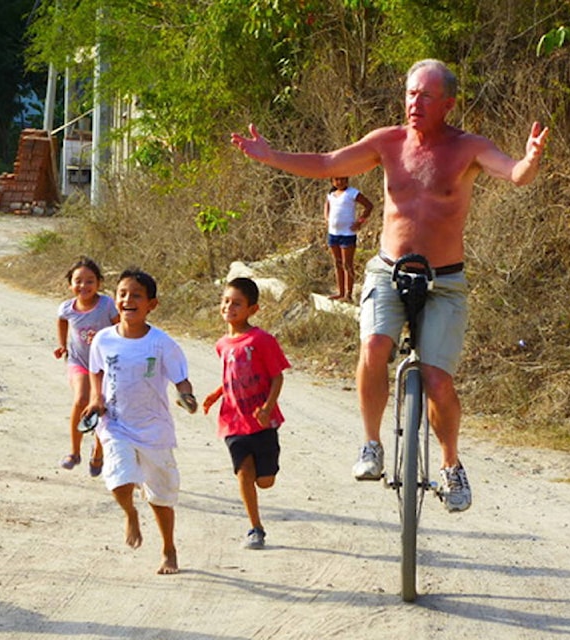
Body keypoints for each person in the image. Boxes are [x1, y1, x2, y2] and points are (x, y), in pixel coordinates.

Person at [231, 59, 549, 513]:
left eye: (425, 96)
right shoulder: (387, 142)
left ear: (448, 104)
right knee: (374, 347)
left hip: (445, 281)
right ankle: (370, 444)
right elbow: (327, 163)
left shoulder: (469, 148)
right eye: (410, 94)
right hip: (388, 270)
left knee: (438, 380)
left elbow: (514, 173)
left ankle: (451, 464)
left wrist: (530, 161)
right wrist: (271, 155)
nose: (414, 103)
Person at [84, 268, 197, 574]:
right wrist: (96, 398)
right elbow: (96, 371)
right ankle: (130, 513)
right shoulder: (103, 340)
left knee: (161, 496)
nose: (128, 300)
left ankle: (168, 549)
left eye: (136, 295)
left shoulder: (162, 344)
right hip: (116, 423)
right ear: (115, 299)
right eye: (122, 294)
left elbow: (181, 380)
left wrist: (187, 398)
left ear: (152, 304)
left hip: (154, 429)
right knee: (118, 478)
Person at [202, 277, 290, 550]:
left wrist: (267, 407)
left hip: (262, 421)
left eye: (237, 303)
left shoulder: (262, 340)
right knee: (244, 471)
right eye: (226, 301)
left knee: (265, 480)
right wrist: (217, 394)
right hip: (233, 421)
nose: (229, 307)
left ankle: (262, 477)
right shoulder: (222, 344)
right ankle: (255, 527)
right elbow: (232, 376)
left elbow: (277, 377)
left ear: (253, 309)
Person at [53, 256, 119, 475]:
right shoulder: (67, 308)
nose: (84, 286)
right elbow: (62, 321)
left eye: (90, 281)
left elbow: (120, 327)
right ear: (70, 284)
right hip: (78, 362)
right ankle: (74, 451)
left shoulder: (107, 305)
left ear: (99, 283)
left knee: (102, 407)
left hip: (104, 366)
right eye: (78, 281)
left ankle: (98, 452)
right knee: (81, 399)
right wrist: (62, 345)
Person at [324, 176, 373, 302]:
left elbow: (369, 206)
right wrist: (327, 218)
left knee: (347, 264)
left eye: (342, 179)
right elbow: (327, 206)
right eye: (336, 180)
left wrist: (360, 222)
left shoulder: (352, 193)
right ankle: (340, 292)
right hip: (333, 233)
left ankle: (348, 295)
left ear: (347, 180)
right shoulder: (331, 194)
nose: (339, 182)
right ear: (332, 181)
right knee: (337, 263)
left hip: (347, 234)